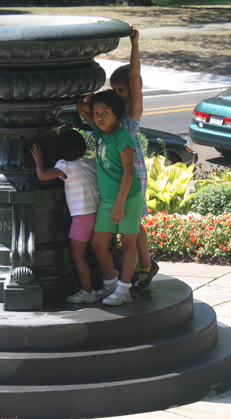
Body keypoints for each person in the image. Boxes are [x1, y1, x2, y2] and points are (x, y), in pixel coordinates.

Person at [76, 24, 158, 291]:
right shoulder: (106, 120)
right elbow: (84, 107)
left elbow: (135, 75)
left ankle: (144, 266)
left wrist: (135, 44)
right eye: (115, 89)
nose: (118, 94)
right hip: (115, 181)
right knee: (133, 225)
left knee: (132, 226)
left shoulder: (131, 115)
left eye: (122, 90)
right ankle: (144, 265)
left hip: (131, 173)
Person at [31, 130, 101, 304]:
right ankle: (108, 277)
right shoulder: (90, 163)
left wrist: (39, 160)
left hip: (81, 218)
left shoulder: (64, 165)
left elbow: (42, 176)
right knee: (97, 250)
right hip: (98, 214)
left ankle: (88, 291)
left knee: (78, 255)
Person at [88, 90, 144, 306]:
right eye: (96, 113)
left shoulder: (122, 137)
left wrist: (119, 204)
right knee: (98, 244)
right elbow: (79, 108)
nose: (99, 117)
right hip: (108, 200)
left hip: (127, 198)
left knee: (128, 244)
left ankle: (124, 289)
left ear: (117, 115)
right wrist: (92, 98)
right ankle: (110, 284)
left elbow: (129, 172)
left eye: (105, 112)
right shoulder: (99, 131)